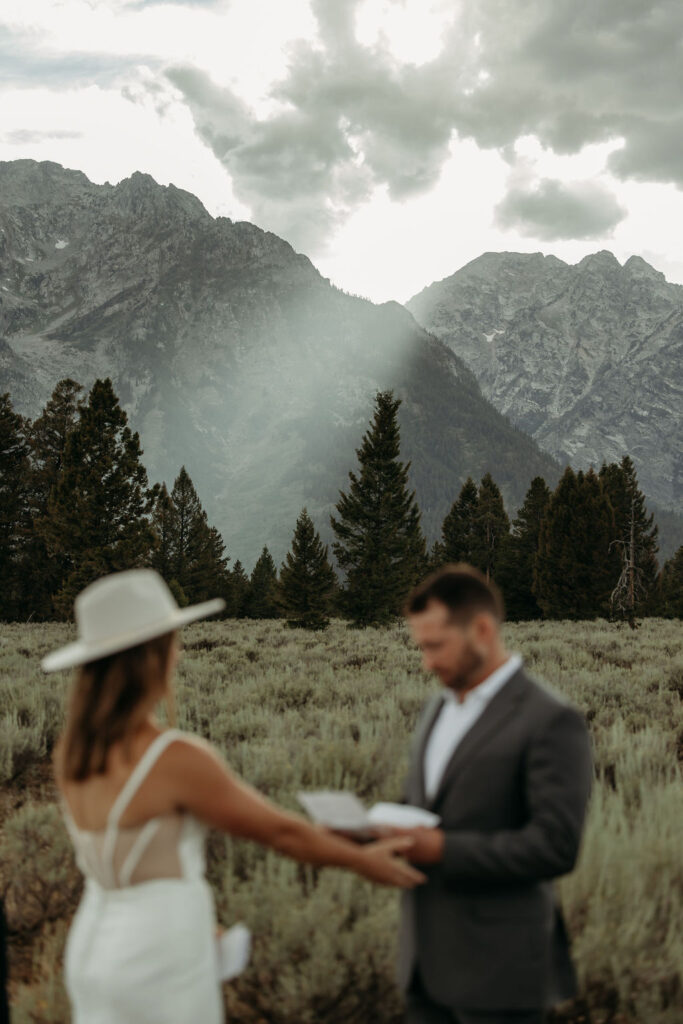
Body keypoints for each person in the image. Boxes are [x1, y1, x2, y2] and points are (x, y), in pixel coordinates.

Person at [44, 569, 424, 1024]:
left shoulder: (72, 752)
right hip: (160, 953)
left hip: (93, 946)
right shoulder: (174, 757)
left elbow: (124, 860)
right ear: (153, 656)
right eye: (173, 641)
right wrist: (364, 860)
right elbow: (280, 832)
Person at [392, 564, 593, 1024]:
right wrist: (381, 829)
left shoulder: (551, 720)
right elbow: (425, 804)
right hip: (425, 966)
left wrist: (440, 849)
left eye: (435, 645)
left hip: (499, 974)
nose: (426, 662)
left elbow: (555, 846)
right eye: (421, 647)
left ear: (482, 629)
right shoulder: (436, 707)